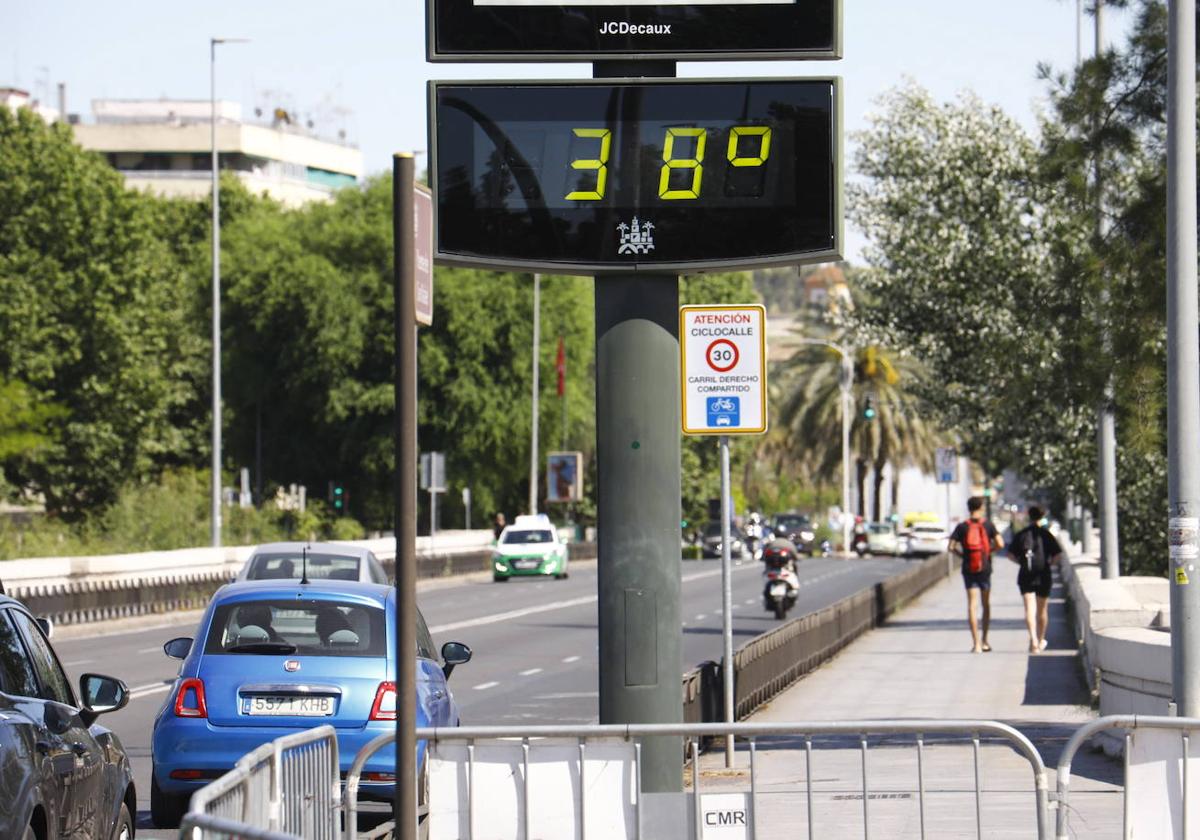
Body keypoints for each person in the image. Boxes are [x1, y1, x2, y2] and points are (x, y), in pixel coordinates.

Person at [948, 496, 1004, 653]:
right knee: (985, 605)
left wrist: (963, 556)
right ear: (981, 507)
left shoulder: (962, 527)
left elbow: (951, 547)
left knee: (972, 606)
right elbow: (1000, 544)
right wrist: (988, 552)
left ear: (968, 508)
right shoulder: (988, 525)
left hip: (968, 568)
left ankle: (976, 644)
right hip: (985, 568)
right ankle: (985, 640)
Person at [1008, 505, 1064, 654]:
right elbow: (1058, 555)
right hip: (1043, 574)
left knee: (1029, 609)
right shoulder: (1046, 535)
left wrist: (1022, 563)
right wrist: (1049, 564)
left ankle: (1032, 640)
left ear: (1029, 516)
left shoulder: (1022, 534)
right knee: (1042, 610)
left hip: (1025, 575)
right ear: (1042, 516)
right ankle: (1040, 640)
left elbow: (1010, 555)